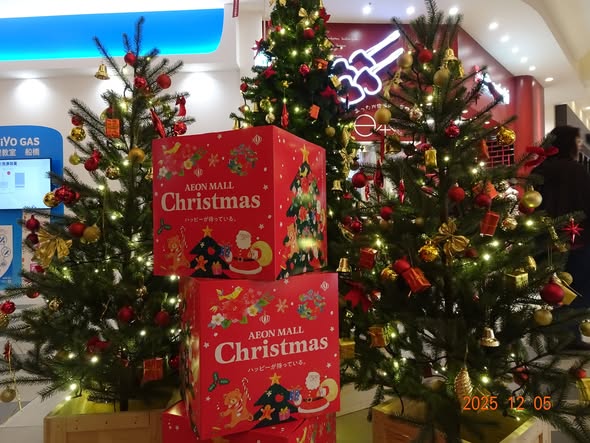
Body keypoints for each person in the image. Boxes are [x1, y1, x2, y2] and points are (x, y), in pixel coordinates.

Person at [534, 125, 590, 347]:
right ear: (568, 143)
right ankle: (568, 334)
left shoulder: (539, 170)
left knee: (554, 287)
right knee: (578, 287)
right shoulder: (577, 171)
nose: (579, 145)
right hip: (578, 238)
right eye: (577, 141)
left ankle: (555, 331)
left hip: (546, 241)